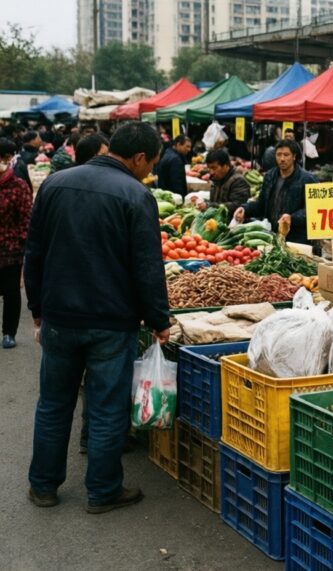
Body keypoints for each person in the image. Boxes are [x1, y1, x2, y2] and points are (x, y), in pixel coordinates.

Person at [24, 121, 170, 514]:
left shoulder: (55, 185)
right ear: (139, 157)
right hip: (111, 321)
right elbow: (147, 267)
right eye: (151, 163)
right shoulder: (136, 195)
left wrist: (37, 310)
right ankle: (103, 490)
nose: (149, 170)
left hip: (59, 317)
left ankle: (43, 487)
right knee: (106, 408)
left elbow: (33, 253)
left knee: (53, 404)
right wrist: (159, 319)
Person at [233, 139, 317, 245]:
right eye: (279, 155)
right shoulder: (270, 176)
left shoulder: (308, 179)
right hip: (273, 236)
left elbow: (313, 210)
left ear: (294, 156)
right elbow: (262, 204)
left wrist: (292, 218)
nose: (282, 159)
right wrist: (245, 209)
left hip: (297, 240)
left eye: (286, 155)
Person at [0, 138, 33, 349]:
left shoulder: (18, 186)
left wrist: (21, 245)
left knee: (11, 292)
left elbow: (27, 220)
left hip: (10, 250)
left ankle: (9, 333)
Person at [204, 149, 251, 214]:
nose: (211, 172)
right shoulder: (216, 178)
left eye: (214, 168)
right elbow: (214, 201)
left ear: (226, 166)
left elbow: (237, 205)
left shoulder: (238, 180)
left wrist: (209, 206)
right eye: (209, 168)